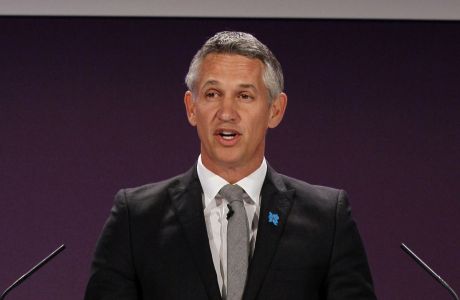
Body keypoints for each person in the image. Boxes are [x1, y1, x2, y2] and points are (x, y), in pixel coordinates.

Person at [85, 31, 377, 300]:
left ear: (275, 110)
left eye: (244, 96)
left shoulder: (327, 220)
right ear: (191, 107)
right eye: (213, 94)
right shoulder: (136, 219)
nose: (226, 113)